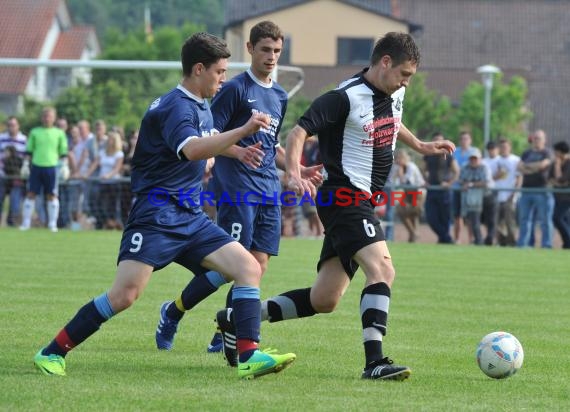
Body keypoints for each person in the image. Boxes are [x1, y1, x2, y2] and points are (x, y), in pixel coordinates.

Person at [33, 32, 296, 380]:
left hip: (189, 215)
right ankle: (52, 352)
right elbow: (191, 149)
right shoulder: (176, 106)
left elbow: (197, 152)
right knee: (125, 295)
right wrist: (241, 131)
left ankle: (248, 355)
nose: (223, 78)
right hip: (156, 216)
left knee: (248, 267)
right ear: (198, 69)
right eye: (219, 72)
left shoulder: (200, 104)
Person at [216, 32, 455, 380]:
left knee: (324, 298)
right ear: (385, 62)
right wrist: (295, 173)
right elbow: (298, 133)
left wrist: (420, 145)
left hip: (362, 201)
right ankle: (375, 362)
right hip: (344, 197)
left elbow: (393, 121)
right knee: (383, 270)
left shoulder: (394, 91)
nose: (407, 83)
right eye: (405, 74)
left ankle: (237, 317)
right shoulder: (343, 97)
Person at [154, 21, 322, 356]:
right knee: (231, 267)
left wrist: (297, 168)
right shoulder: (234, 89)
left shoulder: (278, 95)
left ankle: (226, 328)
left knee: (257, 266)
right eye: (265, 50)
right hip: (236, 187)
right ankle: (173, 311)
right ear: (250, 49)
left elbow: (269, 144)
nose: (271, 56)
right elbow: (209, 136)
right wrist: (237, 151)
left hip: (268, 189)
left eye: (276, 51)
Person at [19, 107, 68, 232]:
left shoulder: (59, 133)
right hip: (36, 166)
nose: (47, 118)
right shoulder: (35, 132)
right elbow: (29, 151)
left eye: (49, 116)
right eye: (45, 116)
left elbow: (63, 152)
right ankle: (26, 223)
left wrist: (64, 166)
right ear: (42, 118)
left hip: (51, 167)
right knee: (31, 194)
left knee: (52, 195)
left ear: (54, 118)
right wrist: (25, 164)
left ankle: (52, 224)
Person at [516, 129, 553, 248]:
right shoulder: (526, 153)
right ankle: (523, 244)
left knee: (544, 221)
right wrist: (535, 167)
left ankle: (546, 245)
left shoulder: (547, 152)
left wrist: (528, 167)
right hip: (526, 190)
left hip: (542, 190)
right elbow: (519, 167)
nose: (536, 140)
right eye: (535, 138)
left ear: (544, 140)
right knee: (524, 220)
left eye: (539, 138)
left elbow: (544, 165)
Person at [422, 132, 458, 244]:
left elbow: (456, 172)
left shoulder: (449, 155)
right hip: (432, 189)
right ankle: (447, 238)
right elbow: (423, 169)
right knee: (431, 217)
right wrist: (426, 181)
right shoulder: (428, 155)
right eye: (436, 140)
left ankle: (443, 239)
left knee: (445, 218)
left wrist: (449, 183)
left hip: (444, 191)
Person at [458, 148, 493, 245]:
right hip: (473, 199)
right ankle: (479, 241)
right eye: (471, 159)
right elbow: (460, 180)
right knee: (474, 222)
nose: (473, 161)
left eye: (475, 159)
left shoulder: (484, 167)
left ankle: (490, 241)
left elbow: (486, 182)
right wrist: (465, 184)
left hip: (487, 198)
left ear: (480, 159)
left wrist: (471, 184)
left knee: (489, 222)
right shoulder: (465, 167)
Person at [392, 148, 425, 242]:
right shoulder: (397, 167)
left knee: (413, 213)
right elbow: (392, 181)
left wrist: (400, 174)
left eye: (400, 158)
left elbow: (406, 181)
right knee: (401, 211)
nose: (398, 160)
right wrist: (398, 174)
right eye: (397, 158)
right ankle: (413, 233)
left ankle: (413, 236)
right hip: (407, 192)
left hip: (418, 192)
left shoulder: (411, 166)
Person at [0, 116, 27, 226]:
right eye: (9, 125)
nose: (11, 127)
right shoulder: (1, 138)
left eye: (13, 125)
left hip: (17, 176)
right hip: (2, 175)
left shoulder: (24, 140)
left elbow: (26, 158)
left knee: (15, 202)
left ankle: (12, 223)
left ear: (18, 126)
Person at [494, 138, 521, 246]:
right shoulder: (497, 160)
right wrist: (498, 175)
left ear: (510, 147)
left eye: (505, 146)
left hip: (509, 195)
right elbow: (492, 177)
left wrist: (514, 193)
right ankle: (501, 242)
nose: (503, 149)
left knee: (510, 220)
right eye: (502, 147)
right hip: (497, 195)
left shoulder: (515, 160)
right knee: (497, 221)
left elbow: (519, 178)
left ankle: (512, 242)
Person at [452, 131, 475, 243]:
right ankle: (457, 239)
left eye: (466, 139)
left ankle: (471, 239)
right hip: (457, 187)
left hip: (469, 189)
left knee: (470, 216)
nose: (464, 141)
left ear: (470, 140)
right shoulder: (455, 152)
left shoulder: (474, 152)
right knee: (457, 215)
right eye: (462, 139)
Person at [549, 141, 570, 249]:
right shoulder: (555, 162)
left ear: (560, 152)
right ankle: (566, 244)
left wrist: (557, 167)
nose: (555, 154)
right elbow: (550, 179)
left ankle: (568, 242)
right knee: (565, 220)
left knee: (557, 217)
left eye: (556, 152)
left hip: (567, 197)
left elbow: (561, 179)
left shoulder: (567, 163)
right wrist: (560, 183)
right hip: (557, 196)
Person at [481, 141, 499, 245]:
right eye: (490, 149)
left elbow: (503, 173)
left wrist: (489, 180)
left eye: (493, 148)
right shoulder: (484, 161)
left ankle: (492, 239)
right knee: (485, 218)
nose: (491, 151)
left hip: (496, 191)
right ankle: (490, 237)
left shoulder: (500, 160)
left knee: (494, 219)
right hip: (486, 192)